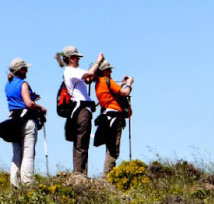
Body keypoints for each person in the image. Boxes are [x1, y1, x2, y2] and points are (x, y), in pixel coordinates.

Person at [56, 46, 104, 175]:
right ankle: (80, 174)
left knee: (80, 142)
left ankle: (79, 173)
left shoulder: (72, 72)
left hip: (79, 109)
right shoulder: (70, 71)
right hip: (81, 109)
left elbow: (87, 79)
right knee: (82, 142)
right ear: (71, 58)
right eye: (77, 57)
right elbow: (89, 75)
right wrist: (98, 62)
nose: (78, 60)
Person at [4, 58, 46, 188]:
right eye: (25, 68)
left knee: (17, 152)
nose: (27, 70)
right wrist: (40, 107)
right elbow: (28, 103)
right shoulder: (23, 84)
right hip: (26, 121)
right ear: (20, 70)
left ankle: (14, 182)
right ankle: (27, 183)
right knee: (28, 153)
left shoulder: (8, 85)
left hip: (13, 121)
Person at [92, 60, 133, 176]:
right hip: (115, 116)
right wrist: (129, 84)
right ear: (104, 71)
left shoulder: (98, 83)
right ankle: (108, 176)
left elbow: (110, 94)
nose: (111, 72)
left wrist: (121, 84)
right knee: (113, 149)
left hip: (106, 117)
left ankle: (107, 174)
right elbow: (124, 93)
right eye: (109, 70)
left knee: (109, 147)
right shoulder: (107, 80)